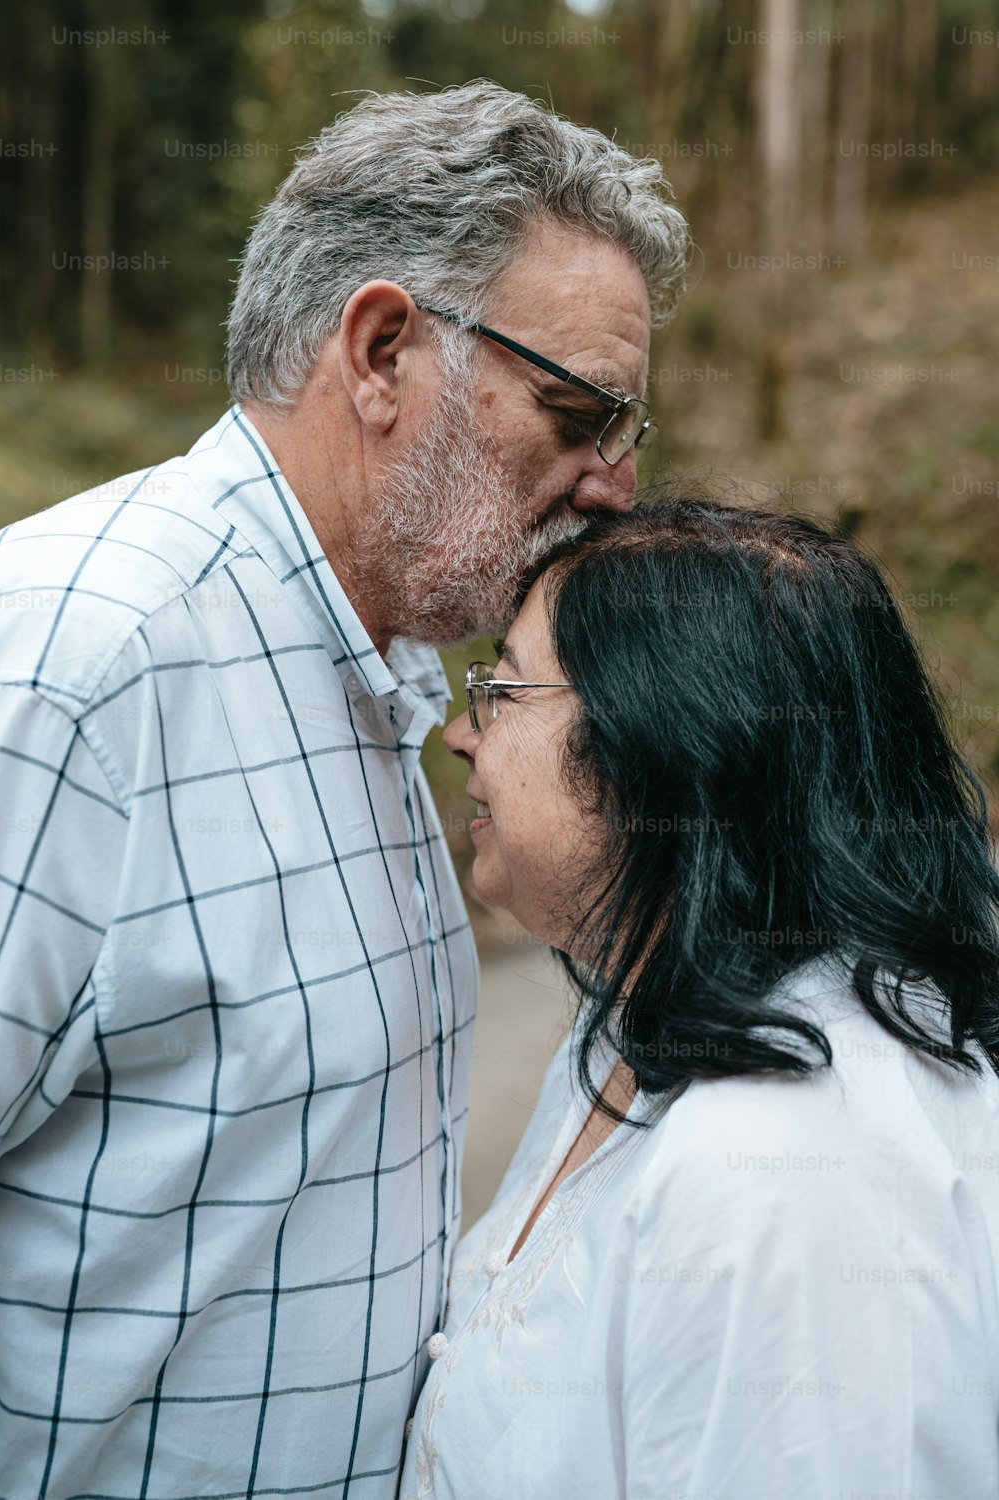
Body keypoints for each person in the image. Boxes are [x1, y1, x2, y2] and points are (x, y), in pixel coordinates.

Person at [0, 83, 689, 1498]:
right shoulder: (82, 666)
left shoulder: (366, 658)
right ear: (382, 352)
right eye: (575, 413)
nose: (611, 484)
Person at [402, 499, 999, 1499]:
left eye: (501, 690)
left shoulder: (781, 1165)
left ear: (656, 743)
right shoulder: (648, 1027)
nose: (461, 734)